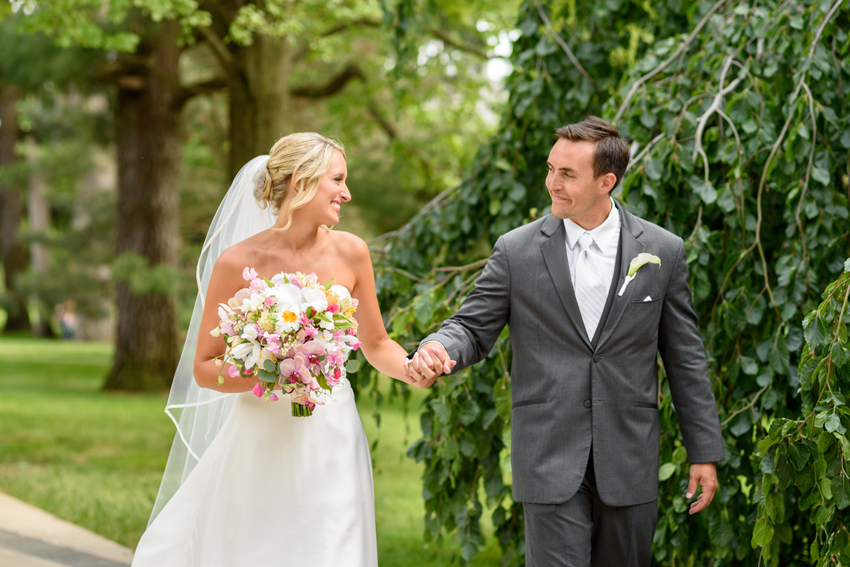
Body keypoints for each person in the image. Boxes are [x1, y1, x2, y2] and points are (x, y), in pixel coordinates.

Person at [408, 117, 725, 567]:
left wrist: (704, 451)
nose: (551, 183)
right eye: (550, 168)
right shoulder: (516, 250)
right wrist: (440, 347)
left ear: (606, 182)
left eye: (567, 174)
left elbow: (685, 357)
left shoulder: (663, 250)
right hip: (548, 453)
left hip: (628, 455)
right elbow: (472, 327)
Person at [132, 133, 425, 567]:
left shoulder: (352, 252)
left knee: (331, 550)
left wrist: (412, 367)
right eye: (338, 179)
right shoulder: (235, 262)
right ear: (303, 180)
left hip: (331, 435)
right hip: (259, 438)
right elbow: (204, 367)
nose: (347, 193)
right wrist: (274, 369)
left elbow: (377, 343)